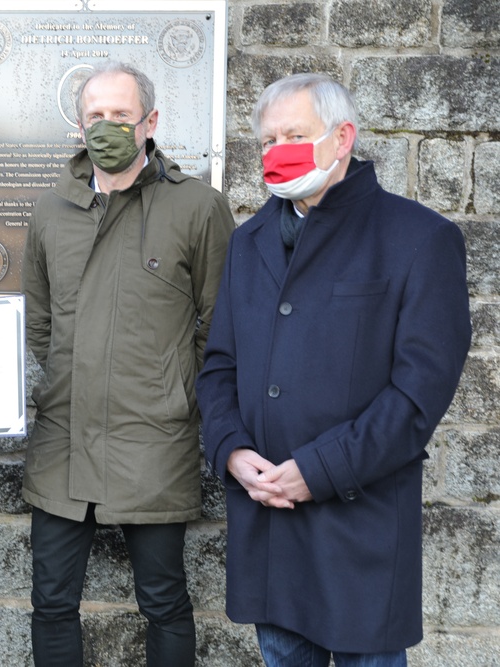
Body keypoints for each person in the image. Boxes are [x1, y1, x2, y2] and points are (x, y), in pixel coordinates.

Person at [195, 72, 471, 665]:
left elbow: (417, 397)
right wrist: (231, 451)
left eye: (294, 134)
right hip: (270, 528)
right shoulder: (250, 241)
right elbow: (220, 366)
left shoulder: (420, 238)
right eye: (267, 141)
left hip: (359, 533)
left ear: (342, 138)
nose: (276, 152)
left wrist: (316, 471)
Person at [20, 60, 235, 666]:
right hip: (63, 438)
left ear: (150, 122)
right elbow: (39, 320)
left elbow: (220, 324)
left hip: (154, 441)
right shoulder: (49, 210)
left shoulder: (198, 207)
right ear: (79, 125)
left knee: (164, 600)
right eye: (96, 115)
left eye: (121, 115)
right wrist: (70, 376)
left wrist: (174, 391)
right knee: (51, 602)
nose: (107, 126)